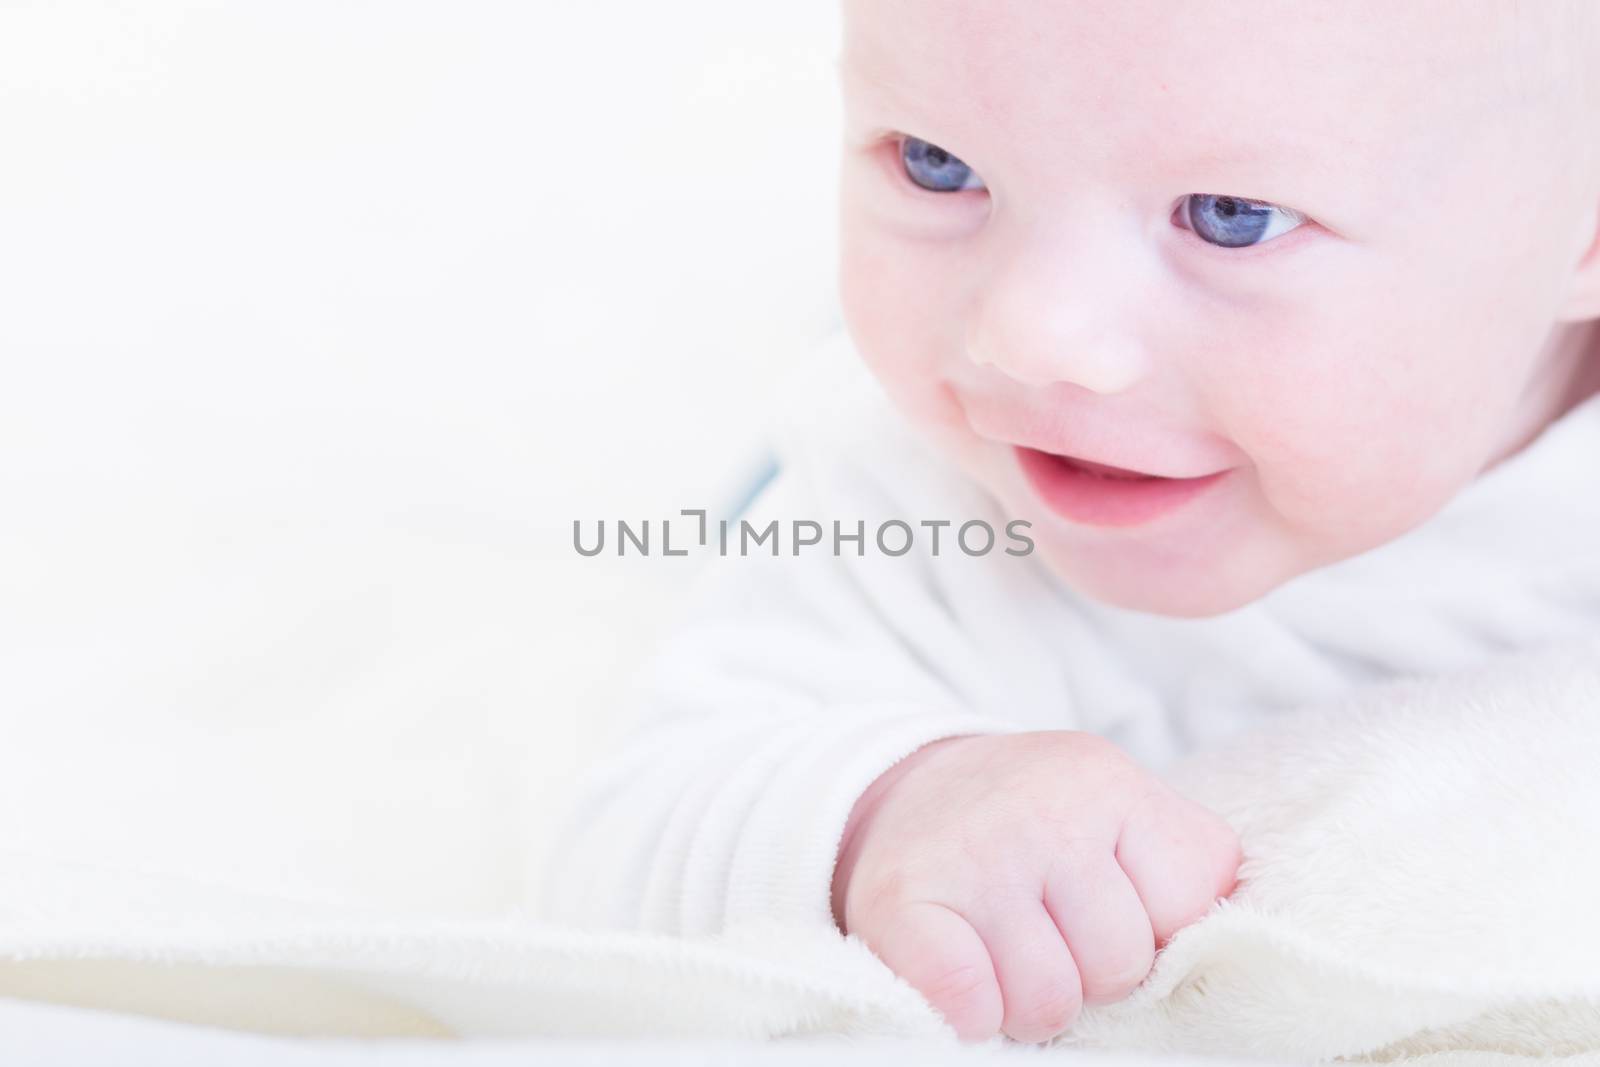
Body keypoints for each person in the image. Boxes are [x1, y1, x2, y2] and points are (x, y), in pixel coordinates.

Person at [543, 0, 1600, 1045]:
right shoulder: (915, 498)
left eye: (1232, 213)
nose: (1031, 334)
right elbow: (612, 848)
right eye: (934, 162)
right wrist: (886, 808)